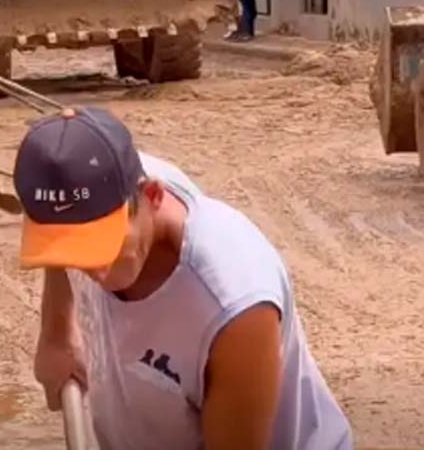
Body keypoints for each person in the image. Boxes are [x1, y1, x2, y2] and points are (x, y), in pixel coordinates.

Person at [18, 107, 353, 450]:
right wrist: (57, 332)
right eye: (75, 251)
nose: (94, 272)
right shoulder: (94, 182)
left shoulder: (234, 304)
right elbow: (60, 225)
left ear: (152, 196)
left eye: (104, 247)